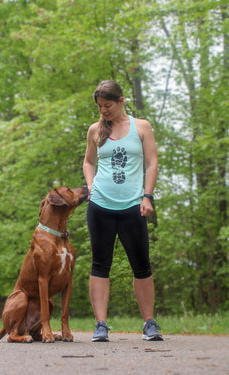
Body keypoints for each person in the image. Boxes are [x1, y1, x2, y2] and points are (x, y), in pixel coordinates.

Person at [83, 80, 163, 342]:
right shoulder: (95, 130)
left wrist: (147, 196)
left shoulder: (141, 127)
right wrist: (91, 187)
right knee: (100, 264)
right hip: (100, 206)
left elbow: (151, 162)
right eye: (100, 106)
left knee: (141, 265)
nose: (103, 110)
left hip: (133, 206)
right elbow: (88, 161)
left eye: (108, 105)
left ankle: (149, 323)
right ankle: (101, 325)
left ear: (121, 101)